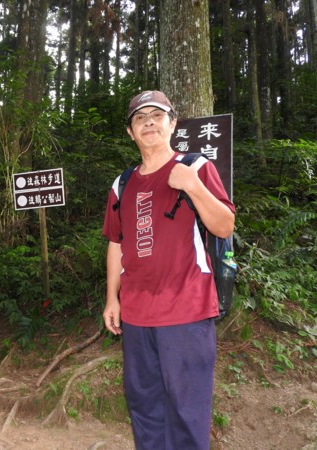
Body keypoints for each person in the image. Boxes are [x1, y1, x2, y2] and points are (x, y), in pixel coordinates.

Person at [102, 90, 235, 450]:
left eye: (157, 116)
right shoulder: (122, 184)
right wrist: (112, 298)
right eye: (140, 118)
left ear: (172, 124)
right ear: (130, 132)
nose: (149, 122)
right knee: (144, 407)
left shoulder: (196, 167)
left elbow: (224, 225)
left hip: (186, 310)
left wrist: (193, 186)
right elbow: (116, 243)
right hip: (137, 315)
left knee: (187, 411)